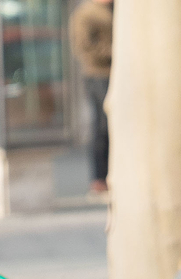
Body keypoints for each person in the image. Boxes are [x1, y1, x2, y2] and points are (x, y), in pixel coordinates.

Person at [70, 0, 112, 197]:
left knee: (111, 127)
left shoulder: (113, 10)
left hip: (114, 73)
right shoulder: (86, 14)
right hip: (98, 75)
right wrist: (113, 52)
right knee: (101, 126)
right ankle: (99, 177)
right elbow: (85, 46)